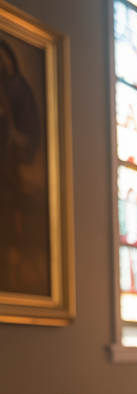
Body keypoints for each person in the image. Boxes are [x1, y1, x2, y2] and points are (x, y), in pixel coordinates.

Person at [0, 36, 46, 295]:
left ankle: (14, 262)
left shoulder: (16, 88)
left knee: (9, 207)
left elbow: (28, 127)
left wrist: (16, 137)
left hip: (7, 161)